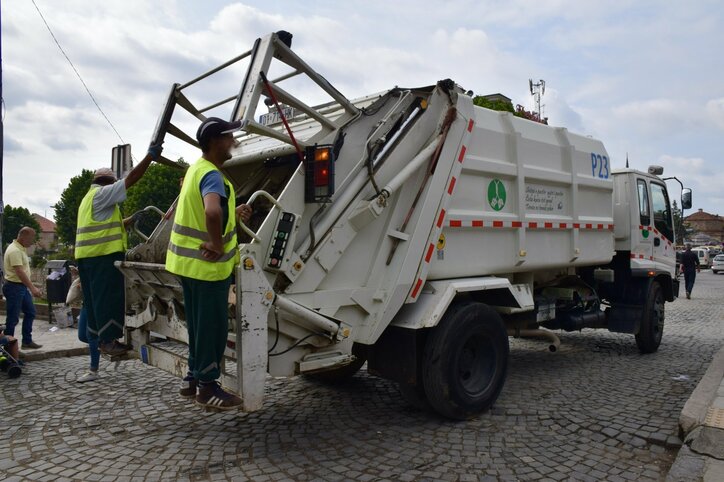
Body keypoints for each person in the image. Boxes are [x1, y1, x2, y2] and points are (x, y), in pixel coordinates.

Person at [166, 117, 252, 411]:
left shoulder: (196, 170)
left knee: (198, 327)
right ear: (217, 141)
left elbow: (215, 211)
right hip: (208, 268)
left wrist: (234, 212)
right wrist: (216, 244)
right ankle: (207, 387)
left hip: (188, 267)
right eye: (230, 136)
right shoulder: (213, 176)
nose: (234, 142)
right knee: (212, 328)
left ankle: (192, 378)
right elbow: (211, 211)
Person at [75, 143, 162, 357]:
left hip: (88, 259)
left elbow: (100, 227)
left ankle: (99, 339)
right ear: (108, 183)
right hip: (102, 256)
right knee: (108, 298)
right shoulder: (103, 194)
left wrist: (128, 221)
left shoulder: (88, 199)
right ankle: (109, 342)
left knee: (95, 300)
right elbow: (131, 180)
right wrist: (149, 157)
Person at [3, 227, 43, 349]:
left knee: (30, 312)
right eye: (31, 238)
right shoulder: (14, 250)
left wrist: (30, 285)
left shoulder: (21, 249)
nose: (32, 241)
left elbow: (24, 271)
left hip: (21, 287)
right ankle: (9, 348)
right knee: (12, 318)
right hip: (14, 287)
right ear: (23, 236)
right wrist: (33, 288)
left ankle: (27, 341)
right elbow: (19, 272)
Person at [66, 269, 100, 382]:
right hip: (86, 301)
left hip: (95, 300)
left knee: (91, 335)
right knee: (82, 336)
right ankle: (104, 343)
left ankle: (93, 370)